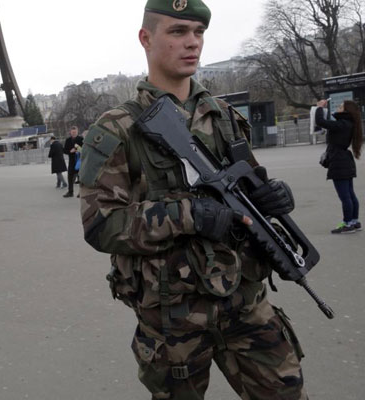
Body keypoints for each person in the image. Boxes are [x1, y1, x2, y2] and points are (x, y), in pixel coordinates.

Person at [79, 1, 306, 398]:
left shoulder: (224, 116)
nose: (192, 43)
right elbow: (101, 225)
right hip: (172, 319)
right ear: (146, 39)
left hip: (246, 301)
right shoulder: (117, 129)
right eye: (178, 32)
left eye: (198, 33)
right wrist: (189, 215)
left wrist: (271, 197)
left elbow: (246, 186)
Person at [316, 99, 363, 233]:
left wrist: (319, 107)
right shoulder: (348, 123)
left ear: (346, 111)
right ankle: (354, 221)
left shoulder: (342, 124)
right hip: (345, 161)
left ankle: (347, 223)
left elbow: (321, 122)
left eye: (341, 106)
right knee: (350, 194)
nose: (338, 107)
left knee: (345, 196)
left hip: (339, 162)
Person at [63, 126, 84, 197]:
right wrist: (70, 151)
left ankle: (81, 192)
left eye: (75, 132)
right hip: (71, 161)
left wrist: (79, 150)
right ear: (70, 132)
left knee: (81, 178)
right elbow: (64, 150)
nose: (74, 133)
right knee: (70, 177)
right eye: (72, 132)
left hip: (80, 161)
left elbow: (85, 149)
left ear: (77, 132)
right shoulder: (68, 140)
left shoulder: (81, 139)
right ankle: (70, 192)